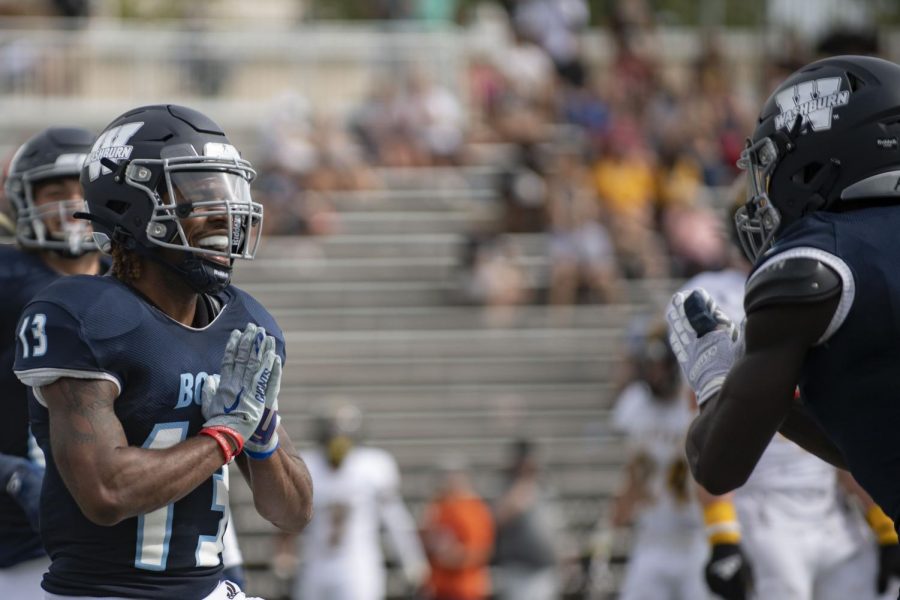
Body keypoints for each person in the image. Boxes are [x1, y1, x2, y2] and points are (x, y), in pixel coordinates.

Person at [12, 104, 313, 599]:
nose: (225, 212)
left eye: (228, 192)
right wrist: (223, 437)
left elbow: (292, 511)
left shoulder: (246, 323)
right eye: (200, 192)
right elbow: (107, 492)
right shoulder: (84, 316)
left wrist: (260, 435)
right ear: (131, 204)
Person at [665, 55, 900, 598]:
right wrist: (778, 399)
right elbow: (873, 447)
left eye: (771, 164)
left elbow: (719, 463)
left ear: (816, 162)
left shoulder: (816, 264)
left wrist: (715, 377)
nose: (765, 186)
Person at [681, 213, 898, 600]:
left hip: (812, 505)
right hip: (784, 502)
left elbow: (716, 462)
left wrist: (719, 386)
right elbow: (863, 448)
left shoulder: (811, 269)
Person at [0, 126, 103, 599]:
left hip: (120, 538)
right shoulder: (9, 281)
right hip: (19, 544)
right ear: (24, 201)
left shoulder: (141, 285)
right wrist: (9, 471)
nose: (70, 205)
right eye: (54, 192)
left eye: (81, 191)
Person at [278, 401, 428, 600]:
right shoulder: (308, 466)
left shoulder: (372, 467)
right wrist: (284, 555)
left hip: (359, 566)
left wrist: (411, 560)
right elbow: (290, 520)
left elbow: (395, 521)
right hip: (315, 564)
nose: (337, 440)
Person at [608, 322, 709, 600]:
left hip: (694, 537)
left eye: (660, 366)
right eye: (649, 366)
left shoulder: (693, 403)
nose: (654, 374)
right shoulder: (635, 404)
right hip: (652, 536)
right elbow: (634, 468)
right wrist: (618, 512)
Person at [493, 439, 574, 600]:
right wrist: (520, 490)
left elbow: (556, 526)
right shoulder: (507, 487)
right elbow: (495, 519)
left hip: (547, 569)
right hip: (519, 571)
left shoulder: (545, 488)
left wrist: (566, 550)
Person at [421, 455, 495, 600]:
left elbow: (481, 551)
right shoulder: (438, 506)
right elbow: (426, 539)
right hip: (439, 587)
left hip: (465, 588)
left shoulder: (474, 509)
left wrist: (454, 556)